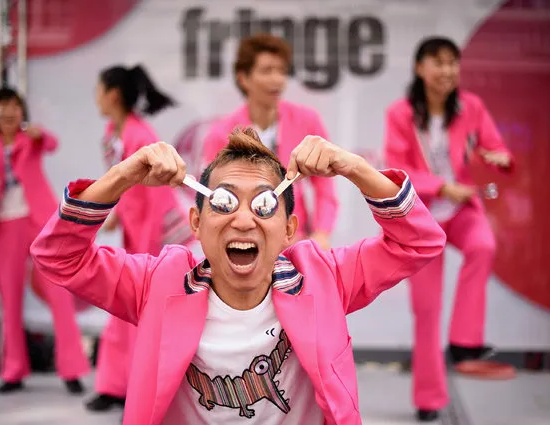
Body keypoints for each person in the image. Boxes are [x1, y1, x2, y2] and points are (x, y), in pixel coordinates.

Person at [31, 127, 446, 424]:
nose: (244, 219)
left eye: (264, 205)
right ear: (196, 222)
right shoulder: (159, 283)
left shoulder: (324, 279)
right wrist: (122, 176)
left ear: (288, 229)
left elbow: (420, 242)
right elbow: (57, 256)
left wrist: (354, 168)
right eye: (225, 203)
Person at [383, 36, 516, 422]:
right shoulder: (401, 113)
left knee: (483, 246)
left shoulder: (471, 107)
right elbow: (395, 169)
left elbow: (496, 150)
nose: (447, 71)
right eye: (438, 63)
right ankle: (428, 397)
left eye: (453, 63)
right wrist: (440, 186)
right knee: (426, 311)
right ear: (420, 68)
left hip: (461, 211)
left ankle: (464, 341)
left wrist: (500, 158)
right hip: (421, 218)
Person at [86, 64, 195, 412]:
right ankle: (114, 386)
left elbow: (156, 200)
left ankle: (140, 395)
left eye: (99, 90)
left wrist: (145, 253)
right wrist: (116, 215)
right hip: (138, 237)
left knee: (146, 319)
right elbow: (122, 186)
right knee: (123, 315)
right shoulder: (113, 133)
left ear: (113, 95)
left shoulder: (140, 136)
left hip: (159, 241)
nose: (97, 98)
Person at [0, 87, 89, 394]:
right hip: (6, 225)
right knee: (10, 299)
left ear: (22, 113)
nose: (8, 114)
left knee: (58, 292)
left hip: (39, 221)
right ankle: (13, 371)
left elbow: (52, 143)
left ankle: (72, 369)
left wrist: (38, 133)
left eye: (14, 108)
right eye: (2, 109)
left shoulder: (30, 140)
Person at [203, 33, 338, 250]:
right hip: (245, 244)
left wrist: (321, 234)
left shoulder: (308, 121)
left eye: (282, 71)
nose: (277, 79)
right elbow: (214, 199)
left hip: (297, 242)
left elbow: (326, 189)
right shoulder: (221, 134)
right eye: (267, 71)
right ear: (243, 78)